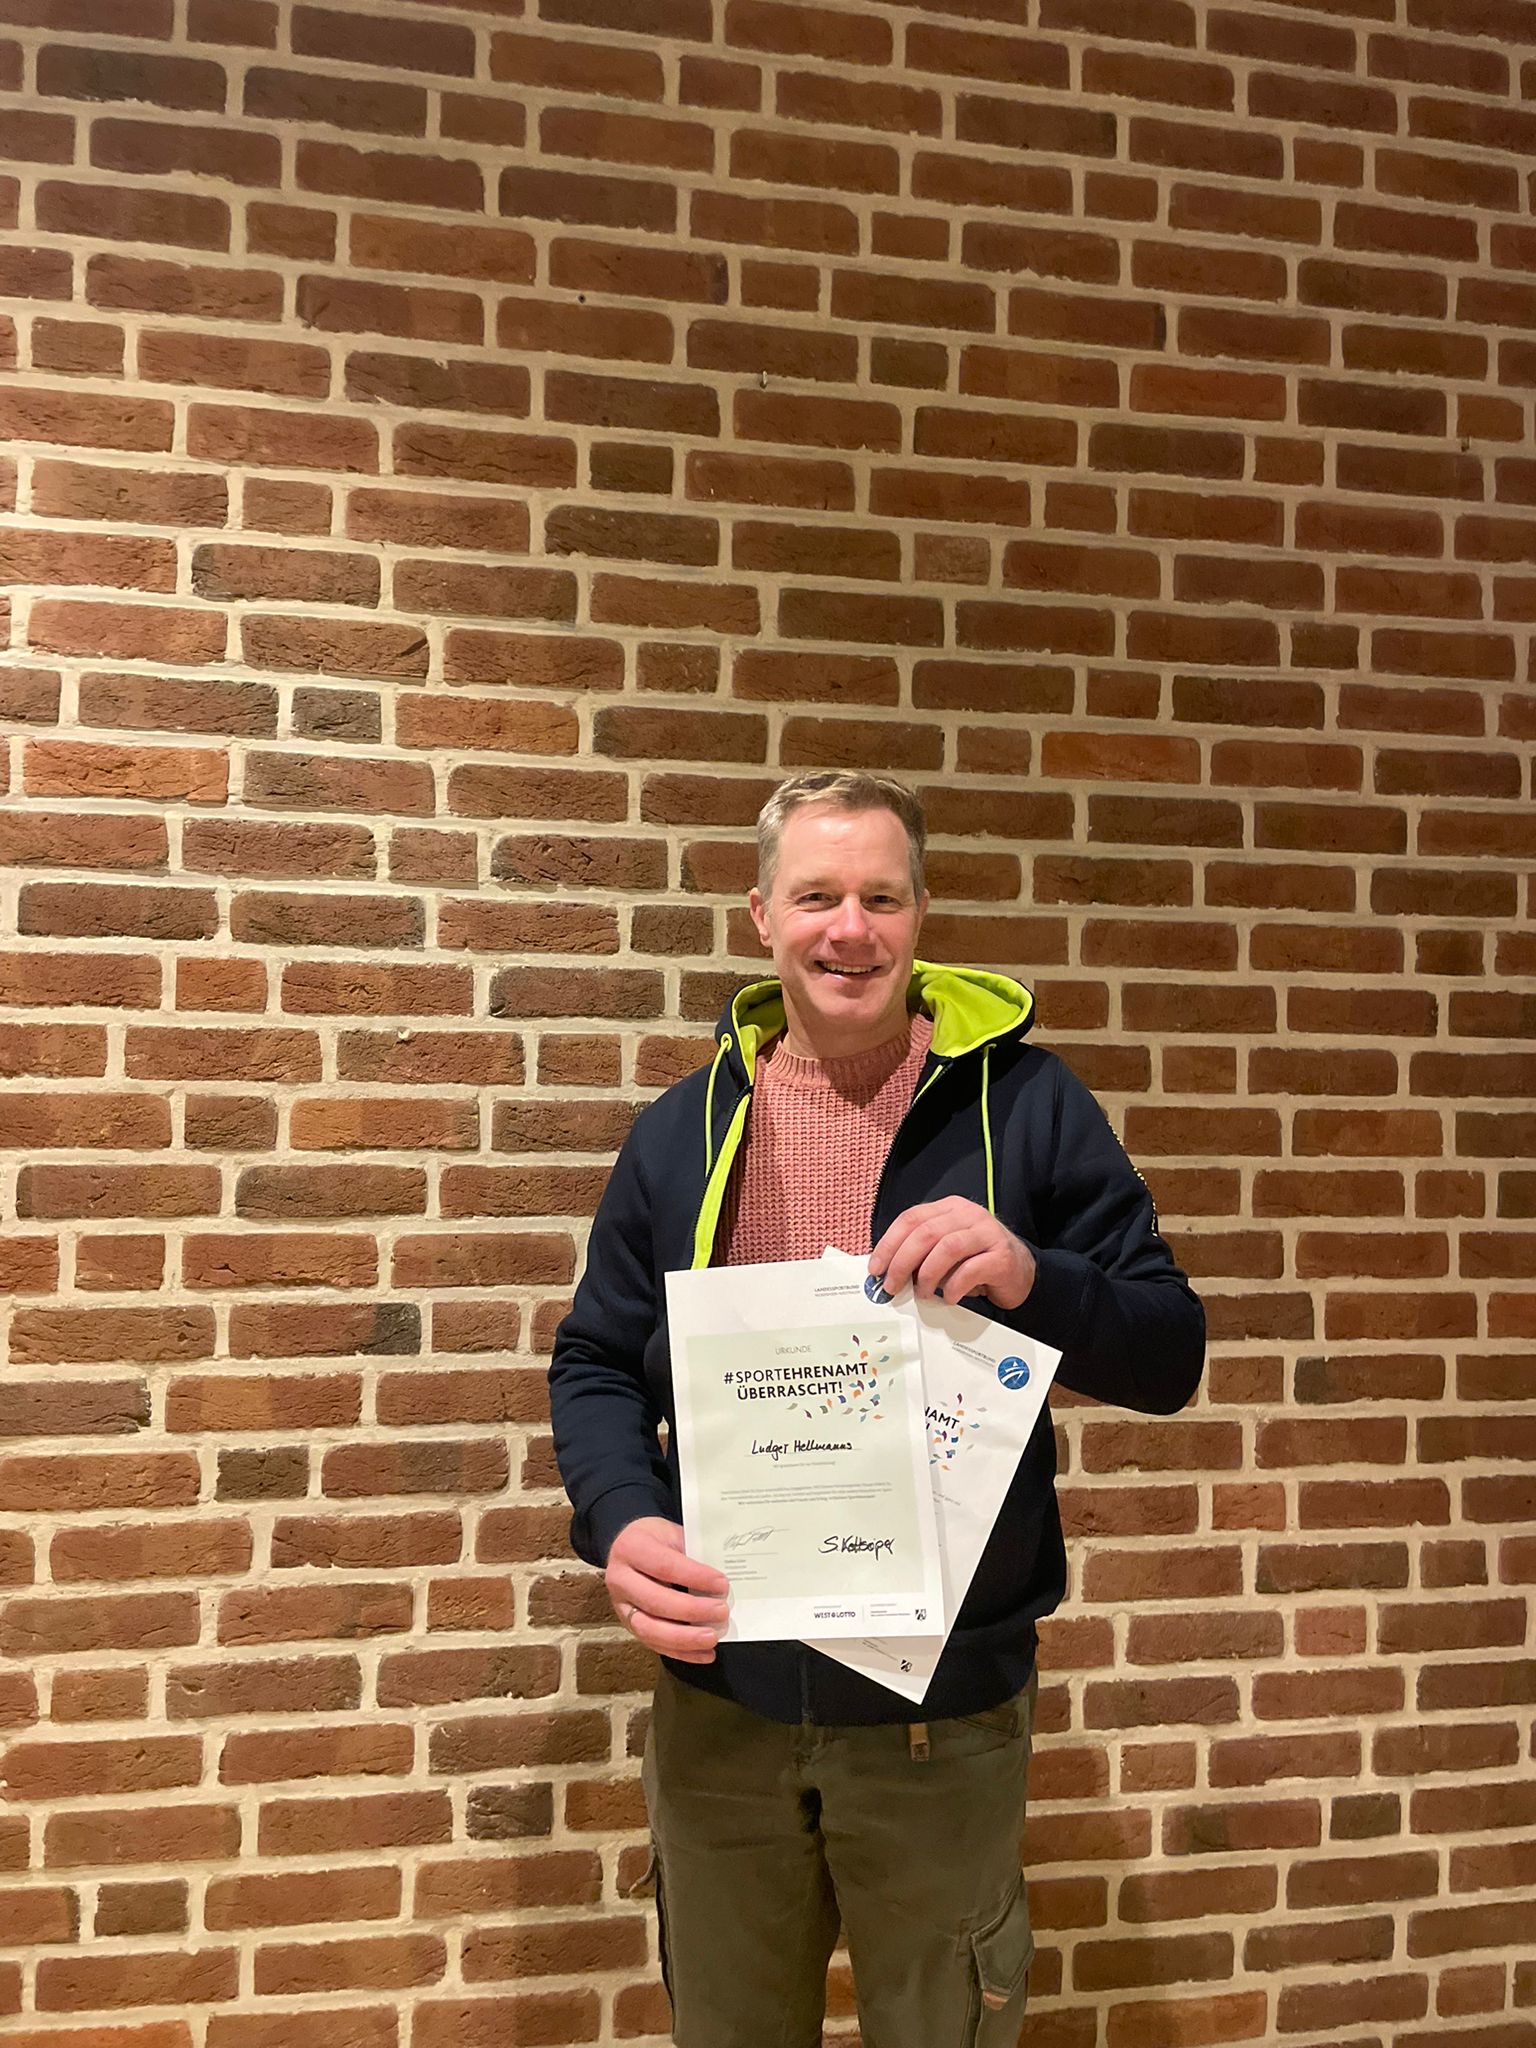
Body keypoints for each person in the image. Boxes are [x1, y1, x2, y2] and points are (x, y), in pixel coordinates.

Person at [549, 770, 1205, 2048]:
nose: (849, 928)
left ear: (920, 913)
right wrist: (622, 1517)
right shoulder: (679, 1132)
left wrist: (1033, 1274)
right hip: (723, 1703)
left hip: (940, 1721)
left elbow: (1168, 1348)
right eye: (816, 896)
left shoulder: (1028, 1107)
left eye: (881, 897)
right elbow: (596, 1362)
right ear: (760, 915)